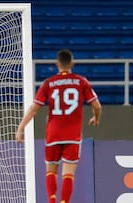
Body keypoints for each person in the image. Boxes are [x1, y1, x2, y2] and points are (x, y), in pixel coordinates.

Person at [15, 49, 102, 203]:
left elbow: (34, 108)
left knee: (51, 171)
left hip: (53, 134)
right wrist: (95, 118)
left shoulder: (49, 83)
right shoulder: (81, 81)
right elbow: (97, 106)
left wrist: (21, 128)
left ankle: (52, 201)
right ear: (72, 64)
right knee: (68, 174)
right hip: (73, 135)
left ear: (57, 64)